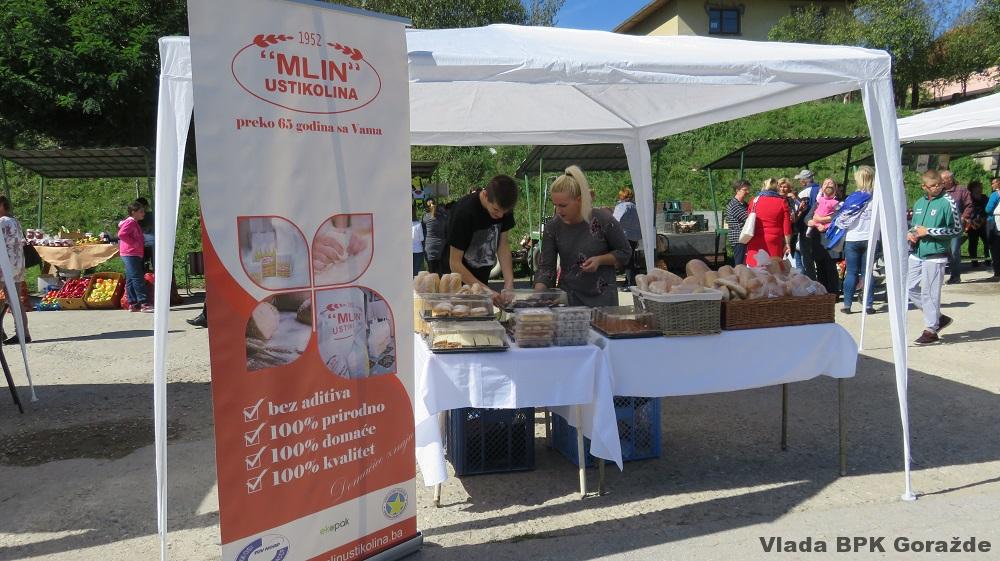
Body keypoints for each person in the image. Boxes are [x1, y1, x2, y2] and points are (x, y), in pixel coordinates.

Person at [534, 166, 631, 307]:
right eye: (555, 205)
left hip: (603, 301)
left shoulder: (604, 220)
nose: (558, 211)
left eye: (563, 205)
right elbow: (546, 268)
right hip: (568, 300)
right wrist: (537, 295)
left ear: (579, 200)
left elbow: (625, 252)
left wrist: (600, 260)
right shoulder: (552, 227)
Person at [446, 175, 519, 305]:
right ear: (485, 195)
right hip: (454, 286)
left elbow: (503, 246)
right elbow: (454, 263)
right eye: (496, 210)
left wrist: (509, 283)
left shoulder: (503, 208)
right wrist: (486, 291)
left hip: (481, 283)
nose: (500, 215)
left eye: (504, 212)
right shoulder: (464, 212)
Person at [908, 170, 959, 345]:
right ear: (924, 186)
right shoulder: (919, 203)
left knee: (929, 292)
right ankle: (937, 317)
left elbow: (957, 229)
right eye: (932, 185)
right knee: (909, 288)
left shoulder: (948, 202)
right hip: (917, 253)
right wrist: (911, 233)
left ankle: (931, 329)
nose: (937, 187)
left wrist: (929, 231)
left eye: (939, 184)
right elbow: (915, 226)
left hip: (936, 254)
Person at [825, 166, 876, 314]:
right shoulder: (877, 198)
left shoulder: (852, 198)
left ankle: (847, 305)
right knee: (867, 272)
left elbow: (841, 218)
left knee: (851, 272)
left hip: (853, 238)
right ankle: (868, 305)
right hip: (871, 238)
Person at [0, 196, 30, 344]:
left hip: (4, 265)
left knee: (11, 300)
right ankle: (23, 333)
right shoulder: (15, 221)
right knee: (15, 301)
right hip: (17, 264)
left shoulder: (2, 222)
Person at [744, 178, 792, 267]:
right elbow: (786, 226)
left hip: (755, 239)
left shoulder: (754, 201)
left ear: (764, 187)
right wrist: (787, 243)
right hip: (774, 241)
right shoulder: (782, 202)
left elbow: (749, 220)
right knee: (773, 270)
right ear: (777, 188)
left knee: (754, 269)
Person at [939, 170, 972, 284]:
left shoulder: (961, 190)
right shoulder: (939, 191)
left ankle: (955, 276)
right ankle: (938, 276)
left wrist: (963, 217)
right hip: (941, 225)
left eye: (943, 179)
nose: (941, 181)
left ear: (949, 179)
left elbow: (969, 205)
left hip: (955, 225)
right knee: (941, 251)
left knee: (954, 251)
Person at [120, 201, 152, 312]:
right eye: (141, 211)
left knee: (130, 278)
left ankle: (133, 303)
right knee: (138, 277)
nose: (144, 213)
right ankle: (144, 303)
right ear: (133, 212)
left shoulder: (133, 222)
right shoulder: (130, 222)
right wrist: (134, 243)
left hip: (132, 253)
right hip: (130, 253)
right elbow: (121, 234)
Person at [612, 187, 642, 285]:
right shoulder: (635, 206)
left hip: (624, 236)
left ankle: (630, 283)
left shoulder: (622, 206)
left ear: (622, 196)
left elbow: (615, 221)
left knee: (625, 260)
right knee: (630, 259)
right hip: (634, 237)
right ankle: (629, 281)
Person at [794, 170, 821, 275]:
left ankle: (811, 280)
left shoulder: (804, 193)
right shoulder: (821, 189)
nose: (800, 182)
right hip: (820, 228)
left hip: (806, 228)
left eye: (800, 180)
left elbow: (798, 210)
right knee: (820, 257)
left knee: (807, 257)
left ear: (804, 180)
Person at [725, 179, 751, 265]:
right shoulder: (735, 205)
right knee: (740, 265)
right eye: (745, 190)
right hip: (739, 239)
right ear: (737, 190)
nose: (747, 192)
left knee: (743, 263)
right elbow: (749, 218)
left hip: (743, 238)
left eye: (748, 189)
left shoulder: (743, 204)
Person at [966, 180, 990, 268]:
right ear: (973, 188)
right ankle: (974, 261)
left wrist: (984, 219)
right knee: (973, 243)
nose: (981, 188)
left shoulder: (984, 197)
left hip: (983, 223)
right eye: (979, 187)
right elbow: (966, 210)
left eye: (981, 187)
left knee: (987, 242)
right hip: (972, 224)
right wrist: (970, 221)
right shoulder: (968, 198)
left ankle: (988, 260)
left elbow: (988, 209)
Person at [421, 197, 448, 275]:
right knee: (440, 270)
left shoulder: (425, 217)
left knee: (432, 271)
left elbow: (422, 229)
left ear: (426, 207)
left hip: (430, 246)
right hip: (442, 246)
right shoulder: (443, 216)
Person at [986, 177, 1000, 281]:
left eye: (993, 183)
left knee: (995, 249)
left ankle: (997, 273)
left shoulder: (995, 194)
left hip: (994, 223)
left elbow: (988, 209)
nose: (992, 185)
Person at [136, 196, 155, 271]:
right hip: (149, 244)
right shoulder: (153, 215)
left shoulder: (135, 217)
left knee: (141, 268)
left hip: (143, 245)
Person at [411, 205, 424, 276]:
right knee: (416, 272)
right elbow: (422, 238)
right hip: (417, 250)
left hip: (408, 251)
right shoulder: (418, 224)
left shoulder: (402, 224)